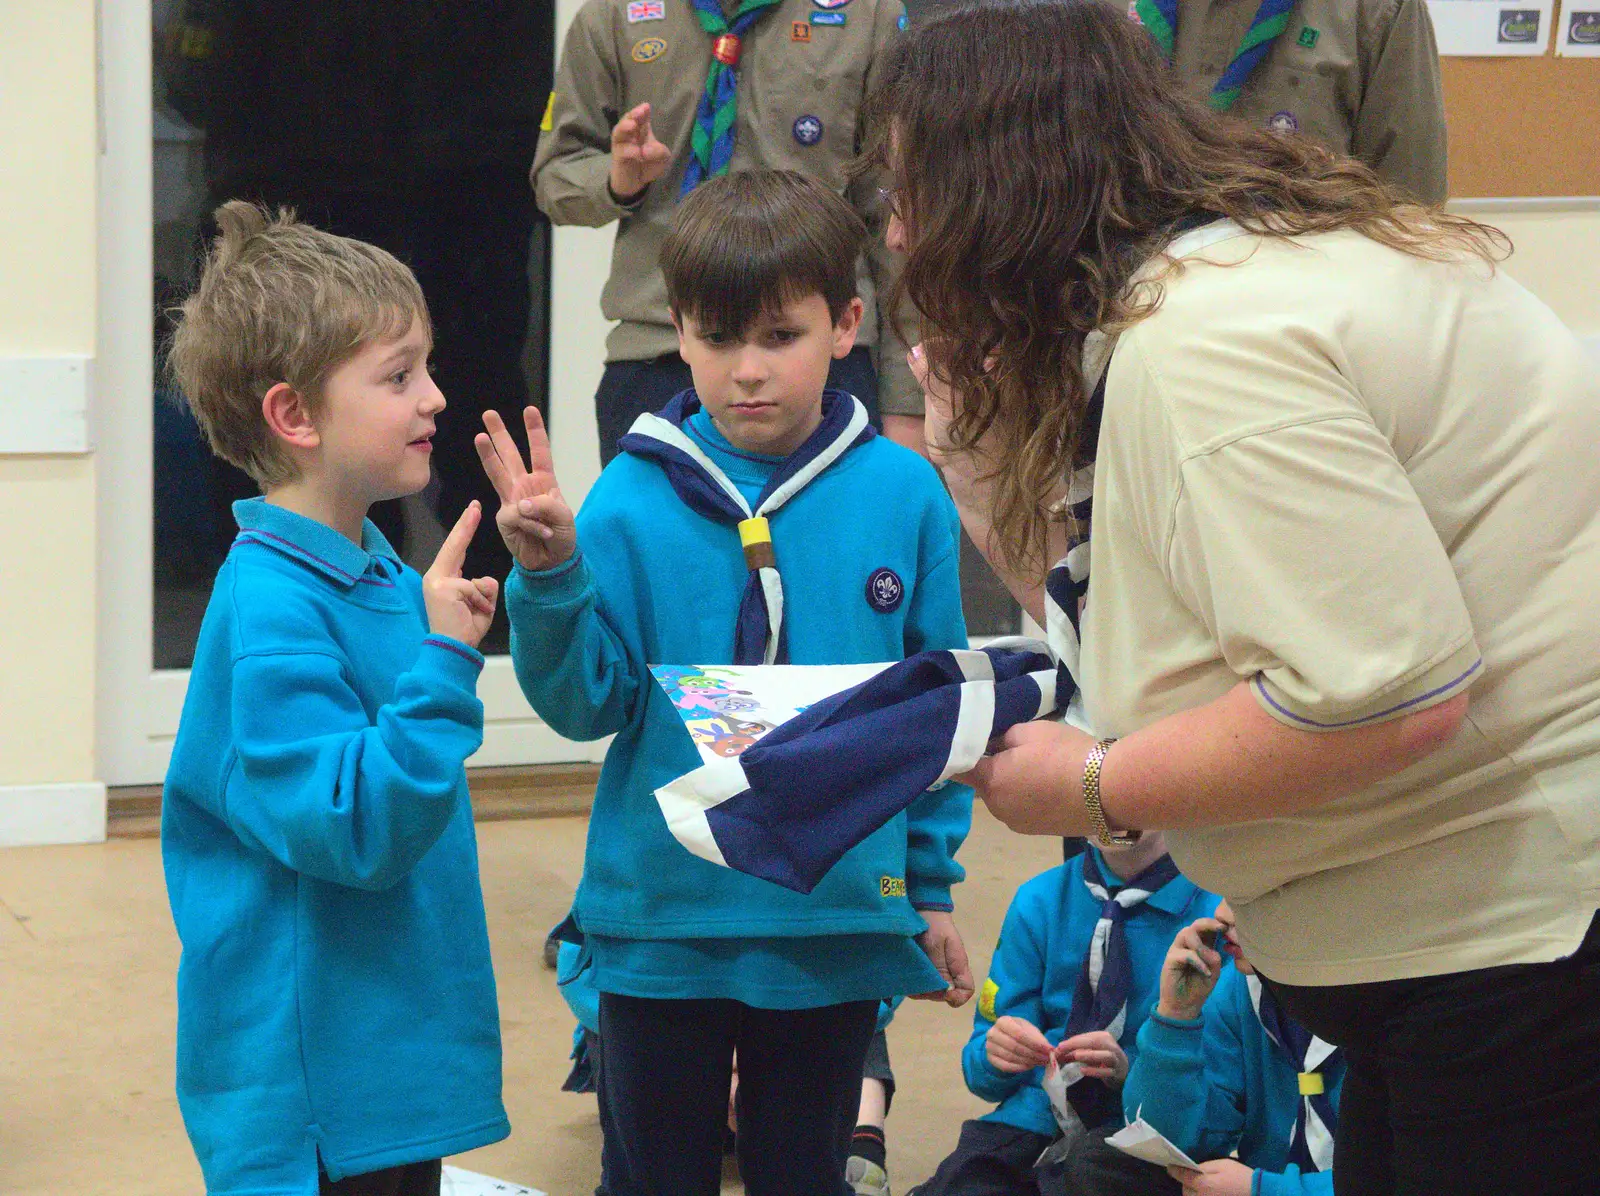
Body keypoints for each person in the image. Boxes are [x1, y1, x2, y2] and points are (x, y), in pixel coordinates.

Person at [869, 3, 1600, 1193]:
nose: (898, 237)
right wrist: (976, 454)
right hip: (1457, 921)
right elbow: (1129, 632)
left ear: (992, 191)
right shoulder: (1206, 280)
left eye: (909, 196)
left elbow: (1380, 696)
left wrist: (1091, 782)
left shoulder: (1210, 339)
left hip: (1521, 930)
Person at [482, 169, 975, 1195]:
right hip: (664, 918)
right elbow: (585, 705)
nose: (746, 371)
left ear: (845, 324)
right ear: (677, 331)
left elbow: (934, 713)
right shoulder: (623, 501)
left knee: (804, 1176)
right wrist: (549, 578)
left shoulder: (904, 493)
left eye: (779, 336)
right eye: (716, 337)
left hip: (832, 918)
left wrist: (925, 886)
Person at [160, 204, 508, 1195]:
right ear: (294, 415)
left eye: (426, 366)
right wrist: (443, 665)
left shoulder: (373, 568)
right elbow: (352, 825)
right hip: (318, 1093)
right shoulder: (271, 604)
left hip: (383, 1051)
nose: (434, 396)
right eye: (399, 376)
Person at [532, 0, 925, 463]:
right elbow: (556, 175)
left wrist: (908, 405)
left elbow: (895, 217)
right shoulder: (613, 14)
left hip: (820, 360)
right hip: (662, 349)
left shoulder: (867, 15)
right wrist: (618, 179)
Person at [912, 834, 1219, 1196]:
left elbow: (1219, 1107)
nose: (1112, 811)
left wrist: (1128, 1074)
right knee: (964, 1181)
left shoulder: (1214, 917)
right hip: (1035, 1120)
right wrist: (996, 1055)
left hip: (1146, 1135)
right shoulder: (1039, 899)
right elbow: (981, 1075)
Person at [1063, 901, 1345, 1196]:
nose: (1221, 914)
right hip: (1256, 1182)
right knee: (1100, 1162)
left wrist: (1264, 1190)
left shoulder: (1385, 1004)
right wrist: (1175, 1016)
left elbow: (1393, 1178)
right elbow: (1167, 1140)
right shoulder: (1244, 985)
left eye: (1251, 893)